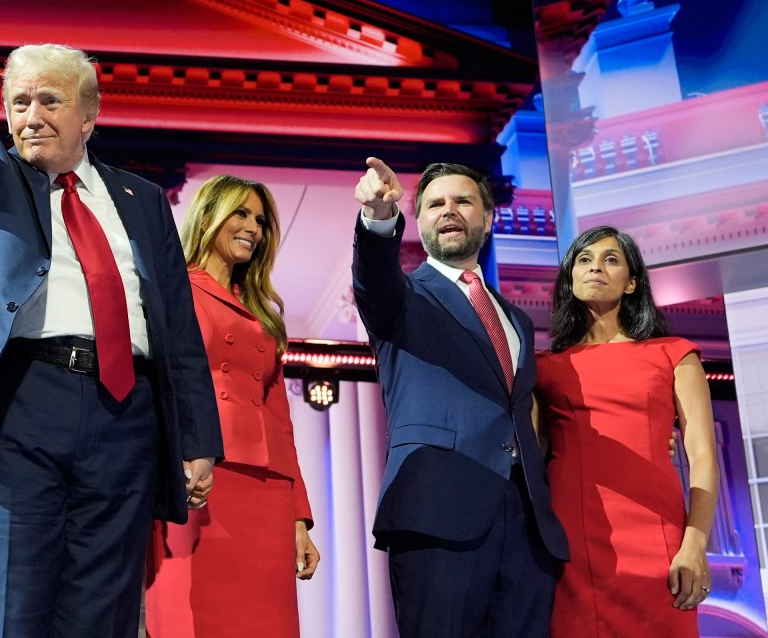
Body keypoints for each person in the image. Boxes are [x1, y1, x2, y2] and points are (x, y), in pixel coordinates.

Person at [0, 2, 222, 637]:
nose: (30, 117)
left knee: (104, 605)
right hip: (18, 404)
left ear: (89, 116)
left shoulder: (142, 201)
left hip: (127, 416)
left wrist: (198, 440)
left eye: (48, 101)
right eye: (17, 103)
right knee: (6, 601)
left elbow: (176, 325)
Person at [351, 157, 568, 637]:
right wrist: (379, 219)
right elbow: (374, 276)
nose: (449, 210)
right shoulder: (404, 298)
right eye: (434, 204)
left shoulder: (518, 321)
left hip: (526, 525)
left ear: (488, 217)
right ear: (420, 220)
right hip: (437, 514)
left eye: (463, 201)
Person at [145, 175, 319, 637]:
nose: (253, 227)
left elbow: (281, 423)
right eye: (241, 213)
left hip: (266, 492)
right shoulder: (170, 287)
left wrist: (299, 518)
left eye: (260, 220)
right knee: (191, 619)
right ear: (209, 215)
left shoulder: (262, 313)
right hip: (196, 479)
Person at [535, 225, 719, 637]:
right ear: (570, 278)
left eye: (611, 259)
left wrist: (695, 543)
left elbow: (703, 455)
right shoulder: (544, 367)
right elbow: (534, 452)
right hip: (572, 543)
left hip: (659, 540)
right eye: (584, 260)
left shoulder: (674, 354)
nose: (595, 267)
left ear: (632, 282)